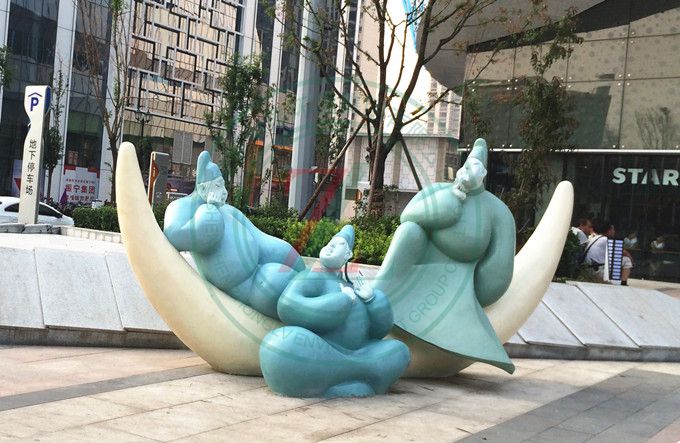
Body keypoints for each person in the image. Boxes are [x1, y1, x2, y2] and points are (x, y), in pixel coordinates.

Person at [373, 138, 516, 374]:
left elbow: (499, 267)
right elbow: (407, 216)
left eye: (475, 167)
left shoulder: (497, 211)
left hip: (460, 280)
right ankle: (379, 296)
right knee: (409, 231)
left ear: (484, 173)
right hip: (414, 269)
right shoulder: (437, 191)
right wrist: (445, 208)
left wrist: (481, 290)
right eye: (466, 166)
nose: (468, 172)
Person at [259, 226, 410, 397]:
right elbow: (288, 305)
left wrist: (372, 300)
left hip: (360, 352)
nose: (330, 246)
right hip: (322, 350)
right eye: (329, 243)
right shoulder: (313, 275)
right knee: (281, 344)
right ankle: (360, 375)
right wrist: (341, 301)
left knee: (399, 351)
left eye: (338, 245)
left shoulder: (353, 286)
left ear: (348, 255)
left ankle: (350, 374)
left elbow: (380, 331)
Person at [163, 151, 305, 320]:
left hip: (265, 268)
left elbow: (260, 238)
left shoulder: (227, 210)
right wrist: (210, 210)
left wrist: (285, 252)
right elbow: (177, 235)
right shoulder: (185, 208)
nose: (224, 192)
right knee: (276, 284)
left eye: (223, 185)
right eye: (218, 186)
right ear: (202, 188)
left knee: (293, 275)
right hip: (249, 285)